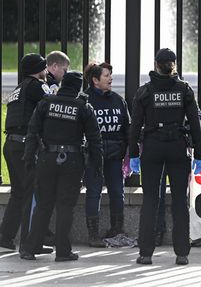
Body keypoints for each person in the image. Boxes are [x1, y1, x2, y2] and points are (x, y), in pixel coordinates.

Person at [129, 48, 201, 265]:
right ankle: (182, 253)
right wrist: (199, 155)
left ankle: (145, 253)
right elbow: (194, 124)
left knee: (151, 200)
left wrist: (133, 153)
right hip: (178, 147)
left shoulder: (145, 91)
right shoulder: (184, 90)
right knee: (180, 201)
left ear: (156, 65)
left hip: (152, 147)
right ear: (174, 65)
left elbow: (135, 127)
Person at [19, 71, 103, 261]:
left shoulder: (46, 103)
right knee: (65, 207)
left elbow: (32, 132)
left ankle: (30, 248)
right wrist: (97, 166)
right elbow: (95, 141)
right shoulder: (83, 107)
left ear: (63, 83)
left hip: (47, 158)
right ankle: (63, 252)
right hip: (72, 161)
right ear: (78, 87)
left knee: (43, 205)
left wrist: (28, 158)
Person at [0, 54, 53, 253]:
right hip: (24, 147)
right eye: (44, 68)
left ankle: (6, 236)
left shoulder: (19, 88)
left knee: (18, 193)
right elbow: (50, 105)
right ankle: (30, 243)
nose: (46, 72)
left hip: (11, 145)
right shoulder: (37, 86)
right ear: (38, 69)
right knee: (32, 194)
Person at [83, 62, 131, 247]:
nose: (110, 78)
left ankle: (117, 230)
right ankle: (93, 235)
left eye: (110, 74)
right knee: (94, 193)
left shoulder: (118, 100)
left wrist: (128, 151)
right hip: (93, 156)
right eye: (106, 75)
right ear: (95, 80)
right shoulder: (85, 99)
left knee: (117, 193)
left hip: (114, 156)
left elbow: (127, 127)